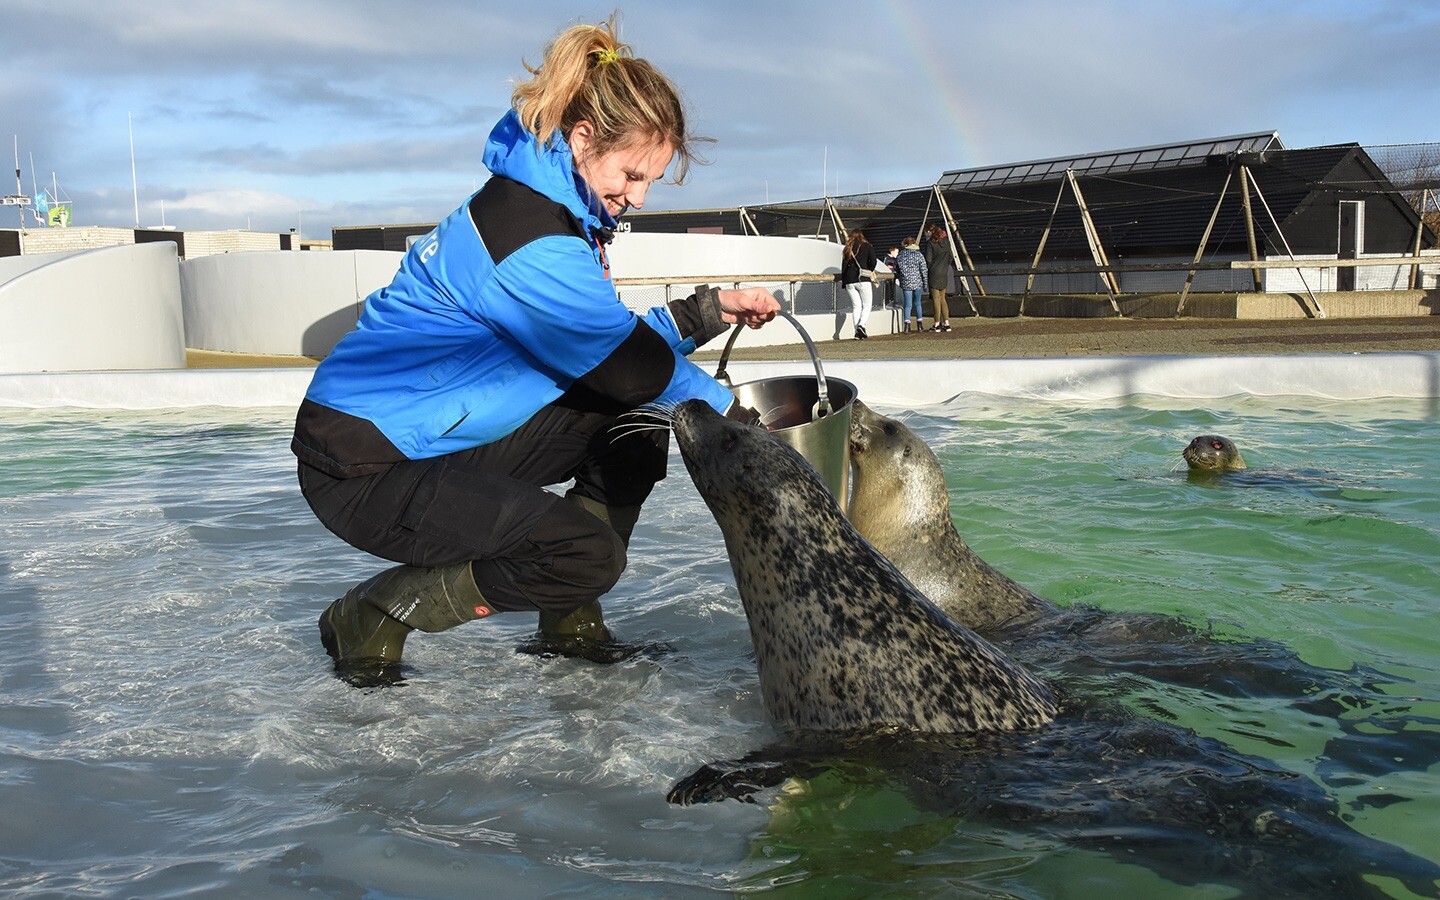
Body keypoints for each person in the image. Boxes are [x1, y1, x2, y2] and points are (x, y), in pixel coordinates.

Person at [291, 15, 780, 686]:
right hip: (362, 464)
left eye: (651, 181)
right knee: (587, 554)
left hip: (429, 434)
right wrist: (740, 422)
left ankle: (568, 622)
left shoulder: (553, 212)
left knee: (633, 429)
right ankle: (375, 613)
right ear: (583, 138)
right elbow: (626, 366)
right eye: (632, 174)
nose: (638, 198)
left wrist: (709, 311)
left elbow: (606, 348)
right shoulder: (527, 234)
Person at [840, 229, 878, 339]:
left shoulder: (847, 248)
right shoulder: (867, 246)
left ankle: (857, 332)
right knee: (867, 305)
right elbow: (874, 261)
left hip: (849, 280)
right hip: (863, 278)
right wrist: (868, 270)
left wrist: (844, 282)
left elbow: (843, 266)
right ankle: (862, 325)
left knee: (856, 306)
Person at [923, 224, 953, 332]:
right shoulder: (946, 241)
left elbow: (928, 259)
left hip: (934, 273)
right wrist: (945, 266)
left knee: (936, 299)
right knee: (943, 298)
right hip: (944, 272)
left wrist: (930, 268)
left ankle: (936, 324)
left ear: (929, 232)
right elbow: (950, 256)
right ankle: (947, 323)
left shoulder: (930, 243)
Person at [895, 236, 929, 332]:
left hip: (906, 282)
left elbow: (897, 268)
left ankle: (907, 326)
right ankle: (919, 325)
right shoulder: (919, 255)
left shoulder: (901, 255)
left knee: (908, 304)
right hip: (917, 282)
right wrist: (925, 284)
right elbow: (924, 270)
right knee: (918, 303)